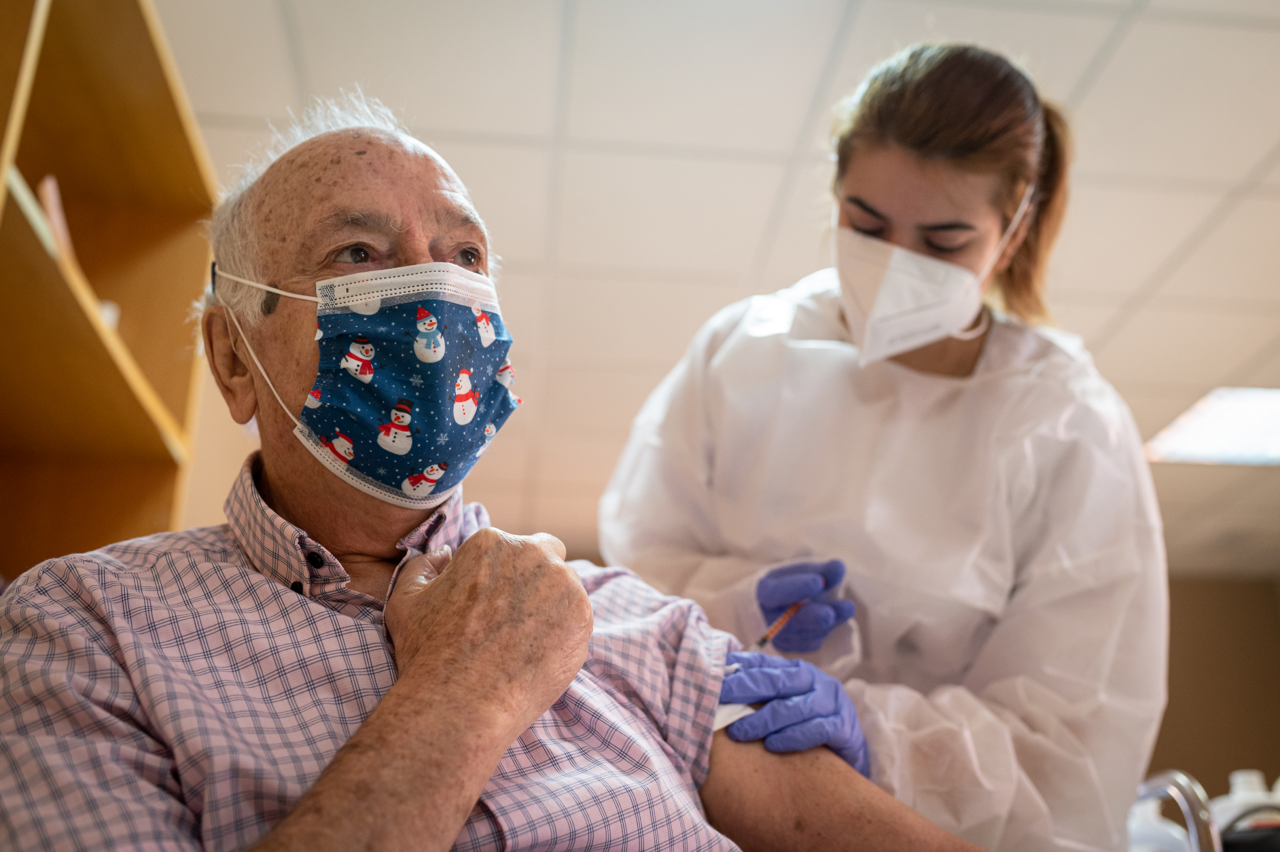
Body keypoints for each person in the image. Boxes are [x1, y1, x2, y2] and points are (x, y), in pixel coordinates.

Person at [0, 93, 985, 852]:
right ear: (229, 358)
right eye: (357, 251)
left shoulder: (620, 617)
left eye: (463, 255)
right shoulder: (87, 631)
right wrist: (471, 685)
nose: (434, 296)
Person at [599, 44, 1167, 851]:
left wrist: (872, 731)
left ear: (1012, 233)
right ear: (834, 195)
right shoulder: (745, 351)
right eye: (866, 226)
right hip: (714, 801)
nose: (897, 267)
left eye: (943, 244)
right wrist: (735, 604)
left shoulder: (1067, 424)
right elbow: (639, 571)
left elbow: (1072, 746)